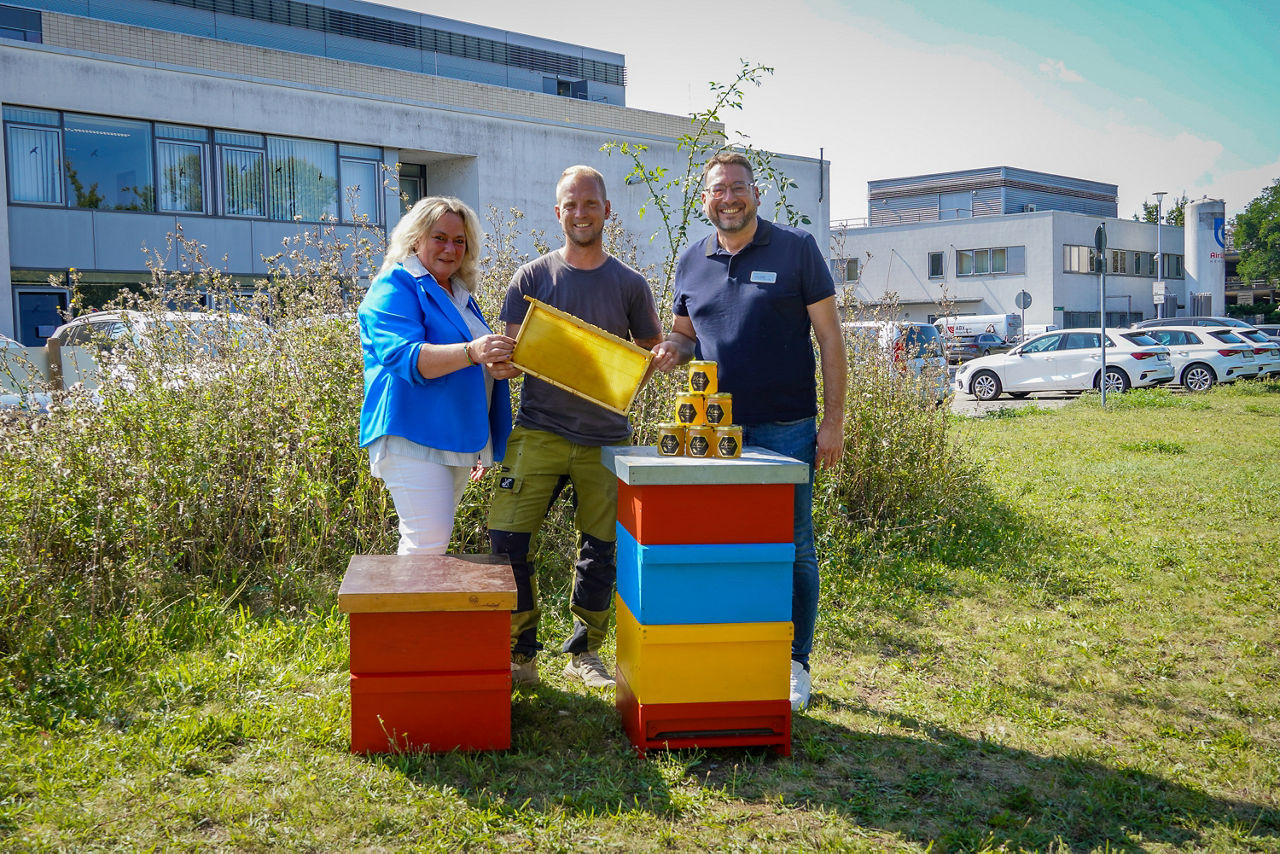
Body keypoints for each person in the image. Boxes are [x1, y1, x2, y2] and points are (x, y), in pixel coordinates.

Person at [650, 151, 848, 711]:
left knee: (794, 546)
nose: (729, 197)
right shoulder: (691, 260)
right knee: (723, 545)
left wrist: (832, 422)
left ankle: (794, 663)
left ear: (756, 194)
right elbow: (687, 338)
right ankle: (736, 647)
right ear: (705, 199)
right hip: (716, 436)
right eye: (718, 190)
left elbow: (831, 341)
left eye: (738, 187)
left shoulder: (797, 250)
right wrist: (671, 349)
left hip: (787, 428)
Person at [489, 165, 663, 689]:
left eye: (590, 204)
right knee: (505, 539)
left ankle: (583, 652)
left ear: (607, 211)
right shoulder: (530, 278)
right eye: (571, 204)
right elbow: (514, 353)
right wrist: (504, 361)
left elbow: (652, 349)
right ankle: (521, 653)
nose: (581, 213)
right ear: (558, 212)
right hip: (537, 429)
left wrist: (651, 358)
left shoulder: (630, 284)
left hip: (607, 437)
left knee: (601, 547)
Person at [358, 196, 519, 555]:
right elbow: (404, 356)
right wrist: (473, 352)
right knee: (426, 546)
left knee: (431, 544)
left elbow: (471, 363)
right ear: (416, 238)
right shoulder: (395, 284)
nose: (450, 248)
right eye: (439, 237)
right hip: (411, 434)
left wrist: (496, 364)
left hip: (454, 438)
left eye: (459, 241)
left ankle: (410, 611)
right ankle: (405, 612)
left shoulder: (458, 293)